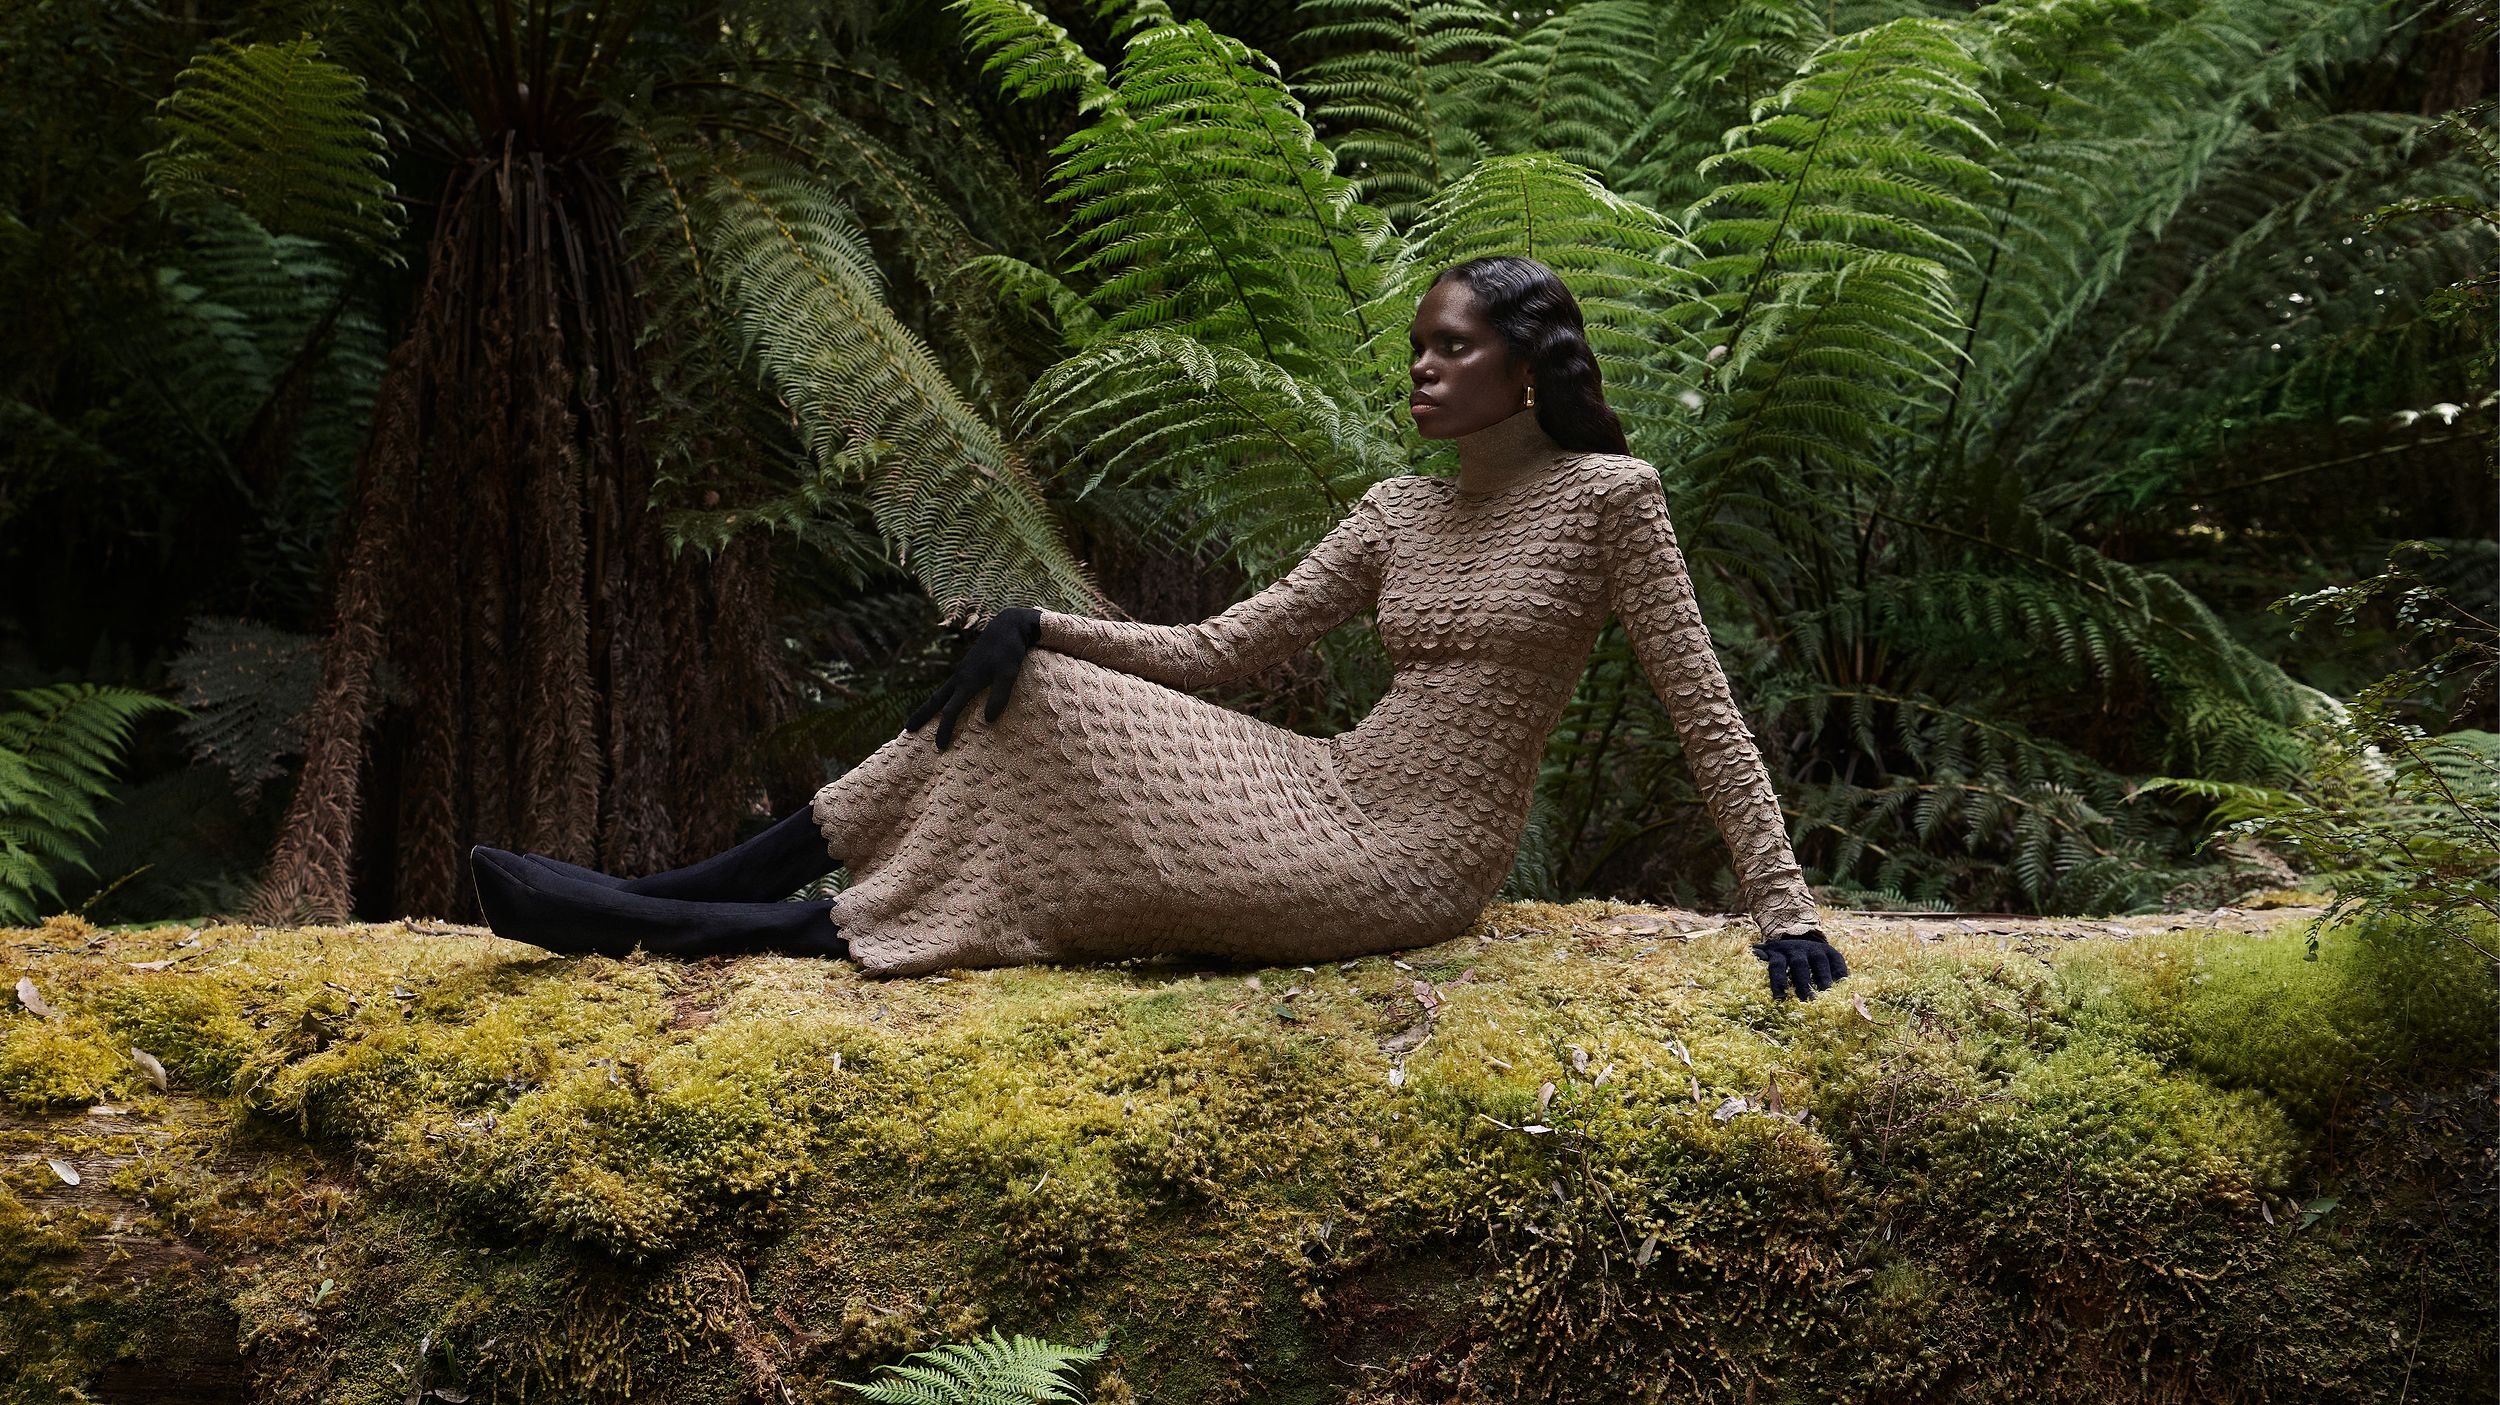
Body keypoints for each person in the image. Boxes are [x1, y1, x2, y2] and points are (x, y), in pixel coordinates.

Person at [469, 256, 1849, 1001]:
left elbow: (1700, 700)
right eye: (1418, 346)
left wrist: (1780, 903)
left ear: (1531, 366)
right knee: (1026, 693)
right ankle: (669, 891)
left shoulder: (1614, 498)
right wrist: (1034, 621)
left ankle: (692, 931)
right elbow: (1221, 650)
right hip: (1328, 782)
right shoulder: (1398, 509)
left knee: (1044, 759)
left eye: (1455, 348)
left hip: (1416, 858)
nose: (1425, 369)